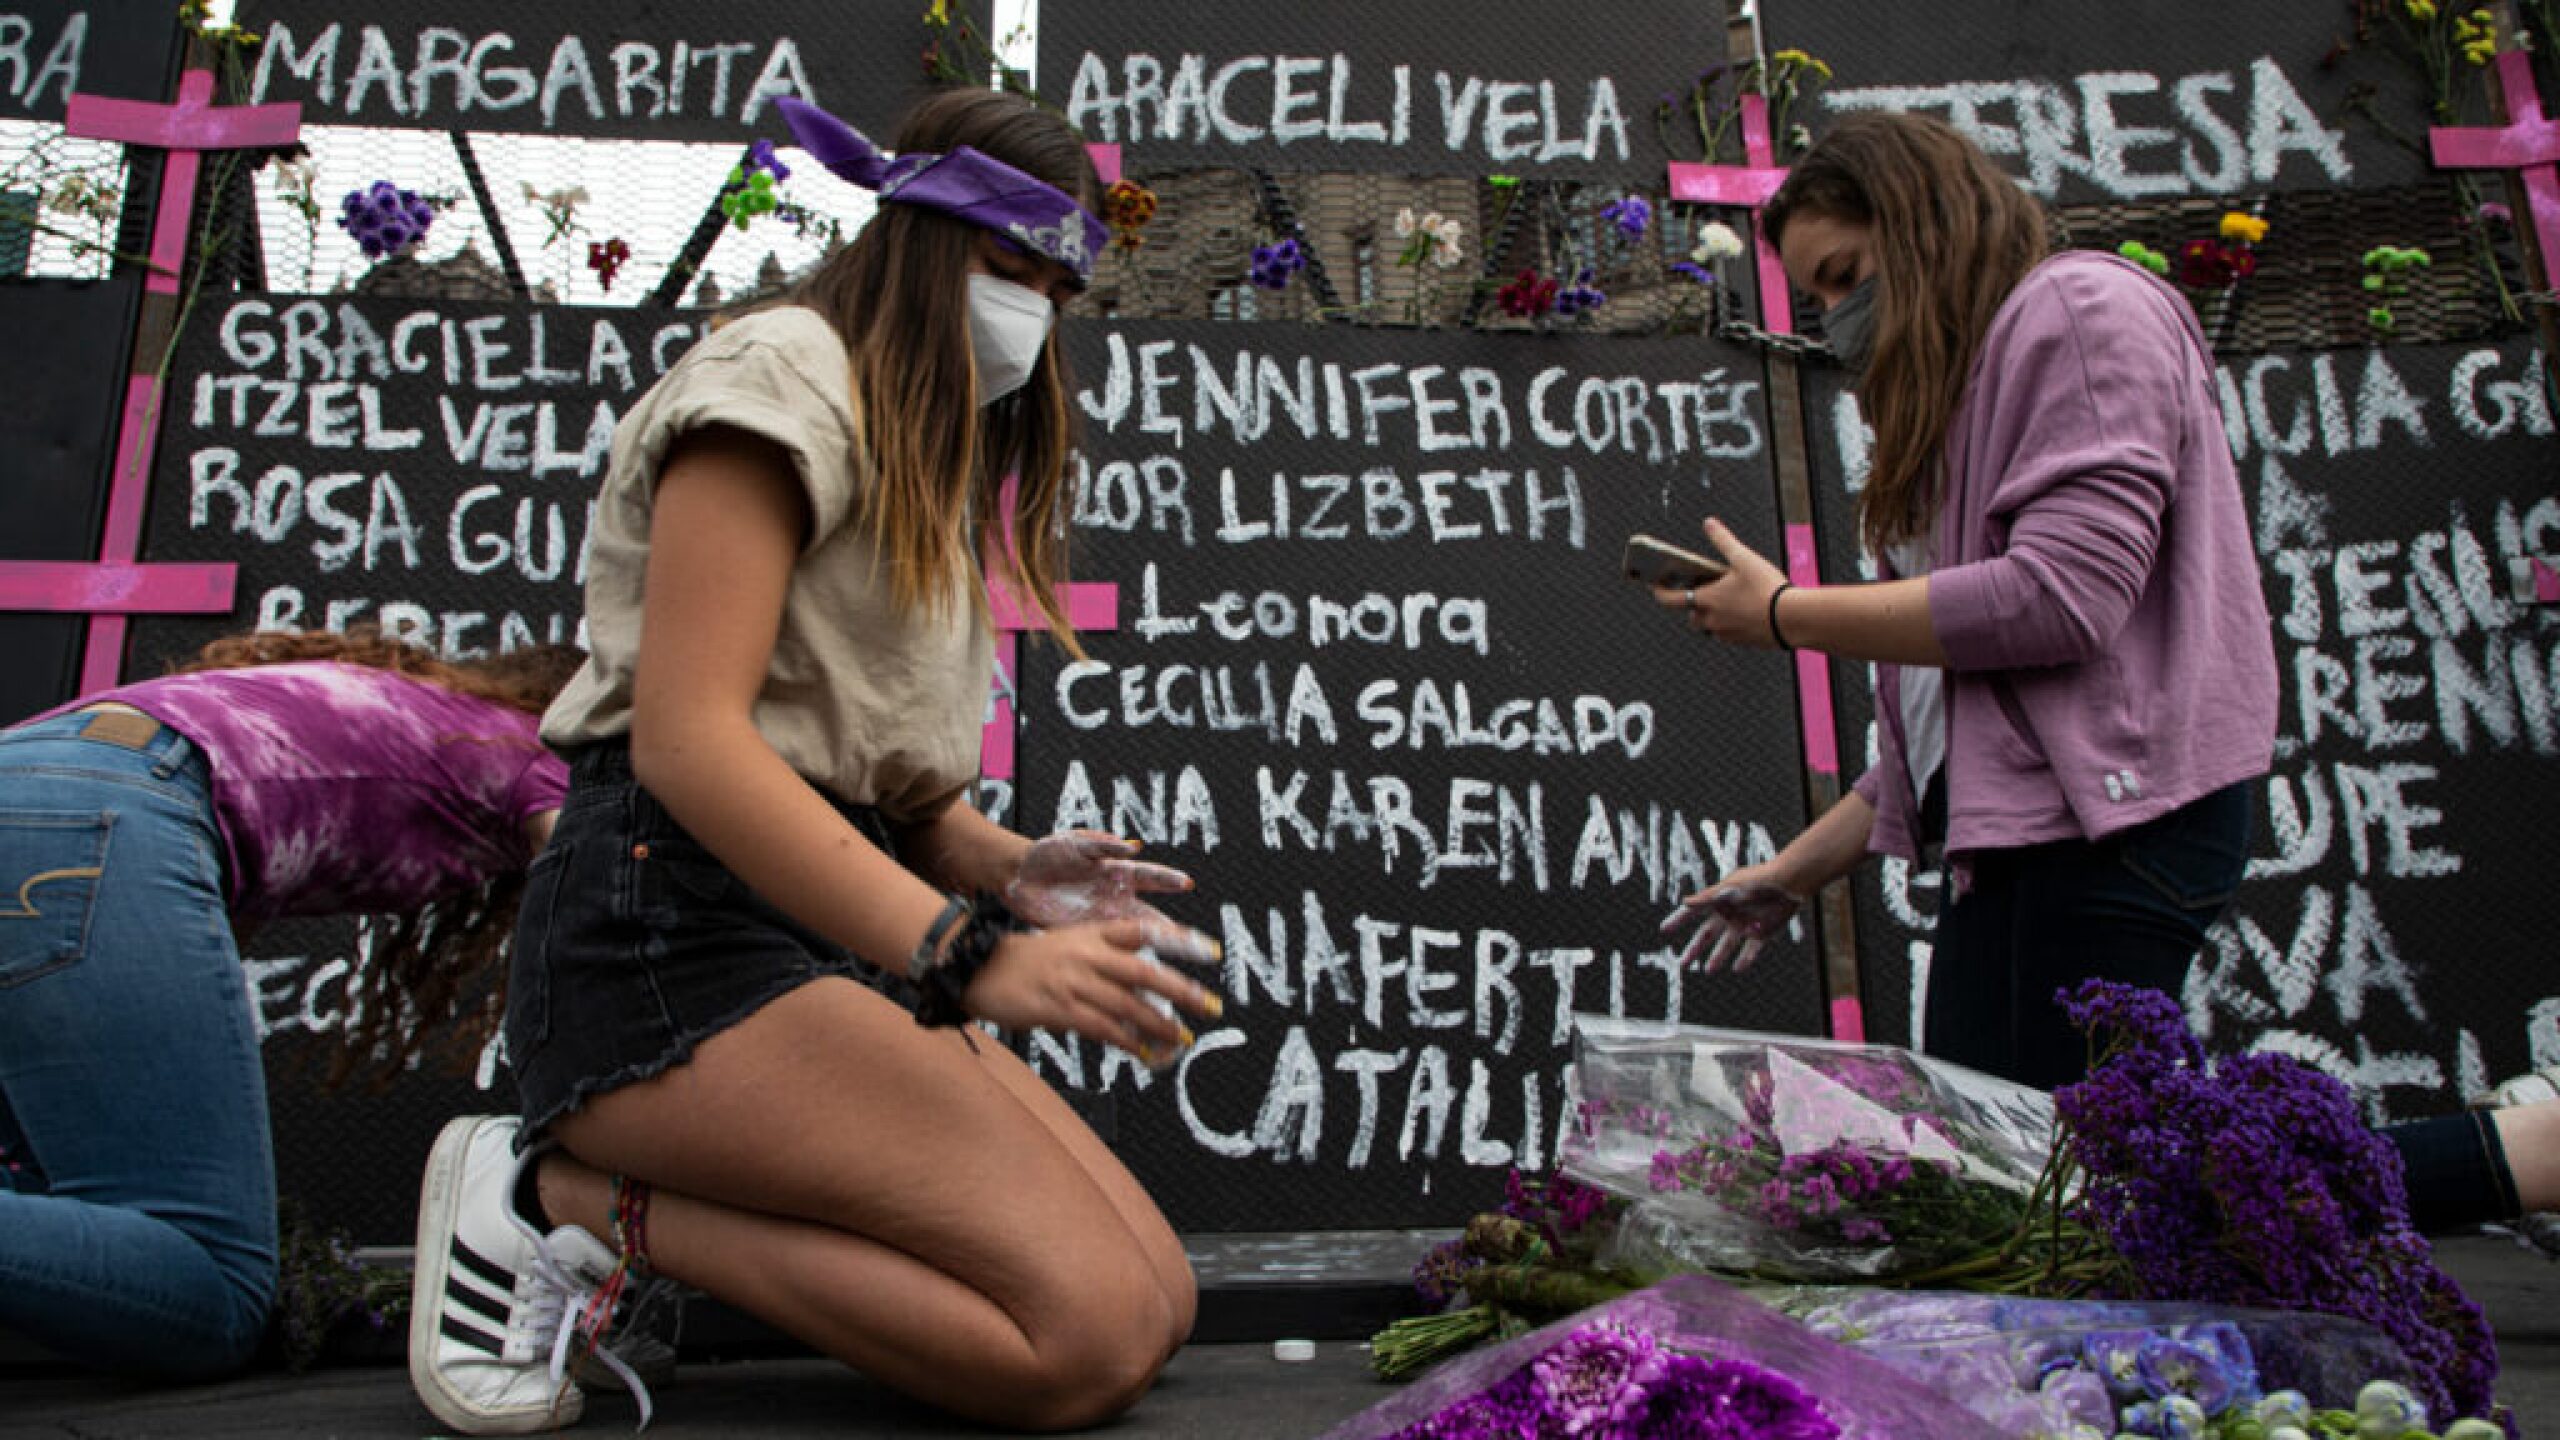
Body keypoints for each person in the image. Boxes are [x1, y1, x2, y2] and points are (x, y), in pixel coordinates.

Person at [404, 86, 1224, 1436]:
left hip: (819, 937)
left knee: (1156, 1302)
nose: (1029, 314)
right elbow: (689, 743)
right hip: (670, 935)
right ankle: (549, 1194)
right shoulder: (775, 378)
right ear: (912, 238)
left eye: (1056, 290)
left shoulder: (916, 445)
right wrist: (970, 955)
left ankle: (612, 1208)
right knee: (1079, 1343)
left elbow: (866, 788)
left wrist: (1013, 869)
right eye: (1004, 270)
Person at [1654, 111, 2279, 1093]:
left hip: (2111, 833)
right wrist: (1792, 874)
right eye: (1817, 295)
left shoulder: (2077, 310)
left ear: (1921, 226)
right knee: (2001, 1166)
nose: (1835, 318)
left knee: (2075, 1180)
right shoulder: (1967, 394)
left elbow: (2060, 600)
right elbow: (1954, 728)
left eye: (1845, 276)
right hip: (2033, 841)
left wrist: (1785, 614)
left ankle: (2502, 1154)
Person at [0, 627, 581, 1379]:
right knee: (211, 1287)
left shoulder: (405, 704)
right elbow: (600, 922)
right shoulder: (553, 752)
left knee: (40, 1186)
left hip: (43, 771)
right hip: (100, 811)